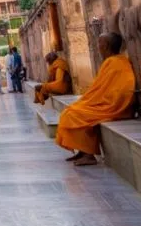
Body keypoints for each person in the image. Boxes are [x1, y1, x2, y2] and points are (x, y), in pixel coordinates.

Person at [56, 32, 135, 167]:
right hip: (104, 102)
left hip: (113, 105)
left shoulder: (116, 62)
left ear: (106, 46)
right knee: (71, 111)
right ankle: (82, 150)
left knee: (74, 114)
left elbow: (120, 90)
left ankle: (88, 155)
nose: (97, 46)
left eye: (99, 43)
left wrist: (92, 101)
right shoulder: (111, 62)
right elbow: (99, 88)